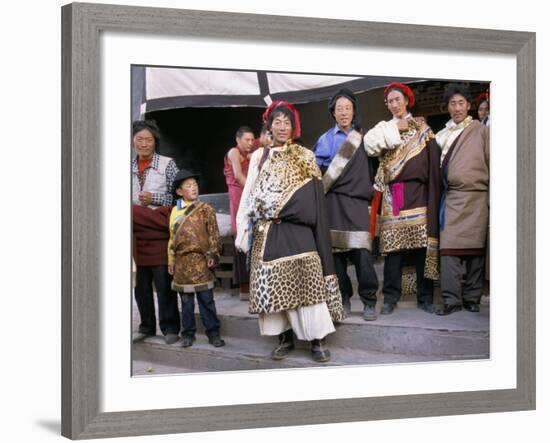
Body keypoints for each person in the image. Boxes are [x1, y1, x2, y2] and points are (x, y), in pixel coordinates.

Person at [236, 101, 343, 363]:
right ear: (269, 126)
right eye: (277, 121)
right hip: (268, 230)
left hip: (299, 231)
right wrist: (242, 227)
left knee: (308, 283)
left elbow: (313, 199)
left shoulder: (305, 156)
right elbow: (249, 193)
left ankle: (317, 339)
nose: (282, 127)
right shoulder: (259, 157)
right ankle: (284, 337)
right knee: (272, 286)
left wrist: (289, 207)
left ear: (293, 127)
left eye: (287, 122)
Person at [364, 82, 441, 315]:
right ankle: (390, 297)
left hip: (419, 192)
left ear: (407, 101)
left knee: (421, 248)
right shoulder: (384, 129)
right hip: (395, 193)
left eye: (398, 99)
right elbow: (370, 149)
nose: (395, 104)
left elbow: (433, 163)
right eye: (390, 101)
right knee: (394, 250)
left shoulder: (423, 129)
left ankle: (425, 297)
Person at [313, 88, 379, 321]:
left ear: (353, 112)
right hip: (333, 202)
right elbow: (317, 171)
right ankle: (343, 298)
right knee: (336, 256)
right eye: (339, 109)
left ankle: (369, 300)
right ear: (333, 113)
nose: (343, 113)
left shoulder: (364, 138)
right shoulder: (325, 139)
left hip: (357, 203)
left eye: (347, 108)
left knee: (362, 253)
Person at [435, 84, 490, 315]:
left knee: (475, 252)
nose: (457, 108)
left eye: (461, 103)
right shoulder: (442, 135)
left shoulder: (481, 130)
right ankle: (451, 299)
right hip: (452, 198)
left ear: (468, 106)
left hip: (477, 197)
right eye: (452, 104)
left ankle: (471, 298)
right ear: (447, 107)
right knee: (449, 250)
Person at [131, 120, 180, 344]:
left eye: (148, 139)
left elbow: (180, 199)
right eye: (139, 139)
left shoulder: (168, 164)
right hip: (134, 237)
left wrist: (155, 199)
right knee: (140, 286)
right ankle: (146, 326)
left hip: (160, 235)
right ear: (133, 142)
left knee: (163, 284)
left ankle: (170, 328)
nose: (144, 144)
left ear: (155, 142)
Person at [168, 169, 225, 347]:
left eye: (195, 185)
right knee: (186, 302)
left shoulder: (206, 209)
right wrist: (171, 260)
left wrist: (212, 254)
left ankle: (213, 333)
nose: (194, 188)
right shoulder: (175, 211)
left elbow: (214, 234)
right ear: (179, 191)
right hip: (181, 263)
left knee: (206, 300)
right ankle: (187, 334)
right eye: (189, 185)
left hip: (201, 261)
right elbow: (172, 237)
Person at [223, 126, 255, 299]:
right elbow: (237, 175)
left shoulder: (252, 153)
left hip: (250, 195)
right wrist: (253, 191)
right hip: (239, 195)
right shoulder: (233, 152)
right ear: (238, 139)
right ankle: (244, 288)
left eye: (252, 140)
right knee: (241, 235)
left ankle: (254, 285)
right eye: (246, 140)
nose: (250, 143)